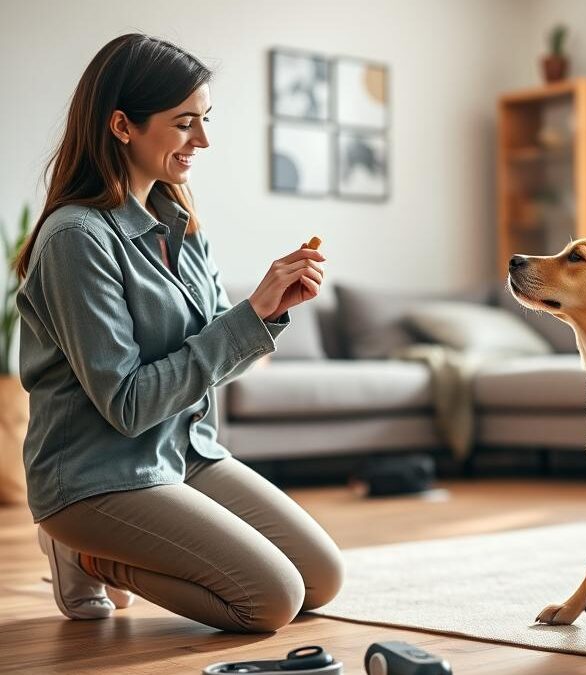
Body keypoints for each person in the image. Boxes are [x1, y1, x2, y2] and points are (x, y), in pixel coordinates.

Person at [13, 33, 342, 633]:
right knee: (270, 601)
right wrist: (244, 322)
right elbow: (129, 404)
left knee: (322, 580)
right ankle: (86, 552)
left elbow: (217, 359)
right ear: (122, 126)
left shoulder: (181, 226)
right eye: (185, 122)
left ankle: (100, 550)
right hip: (97, 475)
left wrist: (264, 313)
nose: (204, 140)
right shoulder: (77, 240)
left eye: (205, 120)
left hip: (183, 454)